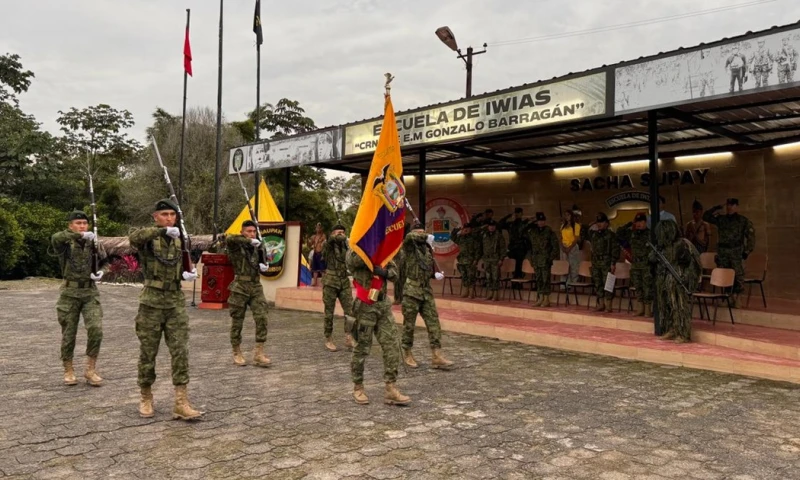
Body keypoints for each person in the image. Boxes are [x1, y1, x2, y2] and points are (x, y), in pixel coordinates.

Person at [129, 199, 203, 420]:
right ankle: (146, 397)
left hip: (174, 302)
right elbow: (134, 238)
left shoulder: (181, 242)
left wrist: (187, 274)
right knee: (148, 352)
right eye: (164, 214)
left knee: (180, 351)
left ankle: (181, 402)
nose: (170, 218)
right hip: (151, 303)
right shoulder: (149, 238)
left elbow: (180, 268)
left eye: (172, 215)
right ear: (155, 216)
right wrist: (161, 232)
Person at [347, 251, 410, 406]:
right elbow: (351, 261)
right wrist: (370, 253)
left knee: (392, 345)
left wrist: (384, 271)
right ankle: (358, 386)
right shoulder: (358, 249)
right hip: (365, 306)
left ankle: (390, 388)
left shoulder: (384, 252)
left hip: (383, 306)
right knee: (361, 348)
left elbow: (395, 275)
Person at [50, 210, 106, 387]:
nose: (82, 226)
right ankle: (68, 369)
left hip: (90, 292)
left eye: (84, 223)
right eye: (78, 223)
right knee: (69, 334)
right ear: (70, 225)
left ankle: (90, 369)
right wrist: (77, 235)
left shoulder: (94, 243)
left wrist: (102, 272)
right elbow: (55, 238)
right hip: (69, 293)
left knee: (96, 329)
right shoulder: (65, 243)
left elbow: (107, 261)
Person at [400, 221, 453, 369]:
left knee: (433, 323)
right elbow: (410, 237)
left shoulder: (427, 248)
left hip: (426, 291)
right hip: (412, 291)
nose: (422, 235)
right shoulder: (409, 246)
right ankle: (407, 353)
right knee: (409, 325)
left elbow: (424, 268)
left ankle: (436, 355)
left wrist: (433, 275)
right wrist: (424, 236)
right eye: (419, 232)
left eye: (423, 232)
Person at [225, 220, 271, 367]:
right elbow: (229, 238)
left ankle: (258, 353)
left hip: (256, 285)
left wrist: (264, 264)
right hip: (240, 286)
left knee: (262, 316)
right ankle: (236, 351)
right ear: (242, 232)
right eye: (248, 231)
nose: (252, 234)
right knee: (237, 321)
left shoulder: (257, 247)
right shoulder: (236, 245)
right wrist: (250, 241)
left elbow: (262, 261)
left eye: (253, 232)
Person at [651, 220, 701, 343]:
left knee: (679, 307)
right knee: (666, 306)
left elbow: (692, 265)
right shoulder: (661, 246)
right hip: (663, 280)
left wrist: (687, 278)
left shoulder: (682, 245)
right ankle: (671, 329)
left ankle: (682, 333)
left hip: (677, 282)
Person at [703, 198, 755, 308]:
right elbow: (705, 216)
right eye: (728, 205)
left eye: (732, 205)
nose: (729, 207)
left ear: (737, 207)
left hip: (736, 251)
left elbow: (751, 236)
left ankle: (738, 298)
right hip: (723, 252)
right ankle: (728, 297)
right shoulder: (721, 219)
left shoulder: (742, 221)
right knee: (724, 274)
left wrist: (747, 251)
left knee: (738, 275)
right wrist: (716, 208)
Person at [321, 223, 355, 352]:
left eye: (342, 232)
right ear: (332, 234)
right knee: (329, 313)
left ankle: (349, 336)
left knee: (350, 311)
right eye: (337, 232)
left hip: (344, 281)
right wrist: (339, 237)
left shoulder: (346, 246)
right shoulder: (328, 244)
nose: (340, 234)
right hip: (330, 281)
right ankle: (328, 338)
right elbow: (330, 242)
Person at [581, 212, 621, 312]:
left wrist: (613, 263)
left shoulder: (611, 235)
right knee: (598, 283)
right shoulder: (594, 234)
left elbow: (615, 249)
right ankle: (601, 303)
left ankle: (608, 305)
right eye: (598, 222)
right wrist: (593, 222)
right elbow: (583, 231)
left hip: (606, 262)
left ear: (607, 223)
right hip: (596, 262)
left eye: (602, 222)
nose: (599, 224)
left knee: (608, 284)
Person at [617, 213, 653, 317]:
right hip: (636, 264)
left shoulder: (650, 234)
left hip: (646, 264)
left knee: (647, 287)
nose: (639, 224)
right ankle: (640, 308)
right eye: (637, 222)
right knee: (638, 286)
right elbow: (619, 233)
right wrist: (629, 224)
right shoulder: (632, 233)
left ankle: (647, 309)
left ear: (645, 222)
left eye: (641, 222)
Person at [527, 212, 560, 308]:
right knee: (539, 279)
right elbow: (523, 232)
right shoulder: (533, 231)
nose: (540, 223)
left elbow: (555, 247)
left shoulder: (549, 232)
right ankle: (540, 298)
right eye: (539, 221)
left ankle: (546, 299)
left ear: (545, 221)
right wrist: (531, 221)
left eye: (542, 221)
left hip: (545, 260)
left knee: (546, 279)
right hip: (536, 260)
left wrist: (550, 258)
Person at [499, 207, 532, 279]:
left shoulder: (524, 224)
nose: (517, 214)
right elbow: (500, 224)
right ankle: (515, 281)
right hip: (512, 248)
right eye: (516, 213)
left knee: (519, 266)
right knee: (513, 266)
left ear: (522, 214)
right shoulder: (510, 224)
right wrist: (509, 215)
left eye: (519, 213)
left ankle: (519, 281)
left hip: (521, 248)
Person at [451, 221, 482, 299]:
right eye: (465, 228)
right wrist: (458, 229)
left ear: (471, 229)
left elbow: (478, 250)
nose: (466, 230)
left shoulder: (474, 238)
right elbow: (452, 237)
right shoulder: (461, 238)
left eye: (468, 228)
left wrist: (476, 260)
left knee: (471, 276)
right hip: (462, 260)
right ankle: (465, 291)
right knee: (464, 276)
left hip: (471, 260)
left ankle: (471, 293)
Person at [481, 219, 506, 301]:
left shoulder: (499, 236)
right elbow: (482, 247)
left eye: (493, 226)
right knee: (488, 277)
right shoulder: (484, 235)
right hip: (487, 259)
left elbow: (503, 248)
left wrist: (501, 259)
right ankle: (490, 293)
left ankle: (495, 294)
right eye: (490, 226)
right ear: (487, 227)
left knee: (495, 277)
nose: (491, 227)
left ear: (495, 227)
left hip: (495, 259)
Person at [560, 208, 583, 286]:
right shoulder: (563, 225)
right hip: (564, 247)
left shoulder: (576, 225)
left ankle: (573, 284)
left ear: (572, 216)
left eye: (568, 215)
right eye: (565, 215)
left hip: (572, 247)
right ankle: (564, 284)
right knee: (564, 266)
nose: (567, 217)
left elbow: (576, 238)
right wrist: (562, 247)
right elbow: (561, 237)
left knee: (573, 266)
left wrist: (569, 248)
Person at [392, 223, 410, 305]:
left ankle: (404, 298)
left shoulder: (407, 241)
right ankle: (398, 298)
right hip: (397, 263)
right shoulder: (396, 240)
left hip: (405, 264)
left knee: (405, 281)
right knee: (397, 282)